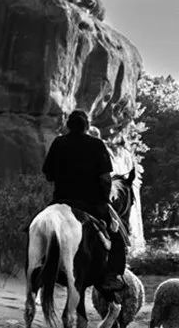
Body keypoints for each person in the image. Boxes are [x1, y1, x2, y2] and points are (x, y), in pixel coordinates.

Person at [42, 110, 127, 292]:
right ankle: (112, 276)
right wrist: (104, 200)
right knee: (117, 237)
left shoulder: (58, 143)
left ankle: (38, 267)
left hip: (61, 202)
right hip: (91, 203)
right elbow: (105, 178)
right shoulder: (96, 144)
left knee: (36, 225)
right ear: (87, 126)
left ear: (68, 125)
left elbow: (48, 174)